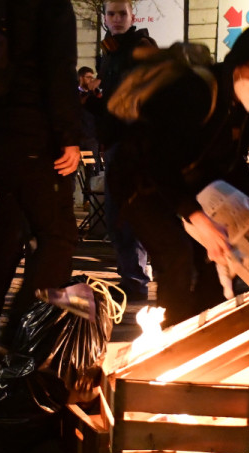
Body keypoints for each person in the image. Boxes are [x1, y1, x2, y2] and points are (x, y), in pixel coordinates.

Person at [107, 28, 249, 326]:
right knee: (176, 259)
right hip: (140, 181)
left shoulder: (244, 109)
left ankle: (207, 334)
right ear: (236, 67)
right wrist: (195, 216)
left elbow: (232, 158)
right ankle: (174, 343)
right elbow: (157, 160)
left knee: (214, 255)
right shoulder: (196, 90)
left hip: (184, 182)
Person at [0, 0, 82, 387]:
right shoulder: (49, 6)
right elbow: (59, 69)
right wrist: (70, 136)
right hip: (34, 136)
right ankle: (19, 338)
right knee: (58, 237)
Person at [94, 0, 155, 302]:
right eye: (111, 14)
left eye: (121, 14)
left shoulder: (140, 48)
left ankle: (135, 282)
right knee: (119, 217)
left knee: (127, 216)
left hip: (135, 145)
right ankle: (132, 278)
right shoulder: (112, 50)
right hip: (119, 143)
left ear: (132, 16)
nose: (116, 19)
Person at [75, 66, 102, 160]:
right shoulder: (74, 93)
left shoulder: (95, 94)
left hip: (91, 137)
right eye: (88, 77)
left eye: (92, 77)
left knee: (92, 167)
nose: (91, 80)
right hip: (77, 137)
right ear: (81, 78)